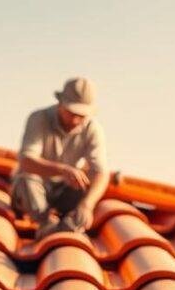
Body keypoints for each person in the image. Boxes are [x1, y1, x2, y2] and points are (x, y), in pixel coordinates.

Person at [10, 77, 109, 239]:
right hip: (35, 190)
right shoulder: (39, 118)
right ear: (60, 104)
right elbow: (26, 161)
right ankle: (46, 224)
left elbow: (101, 172)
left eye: (81, 115)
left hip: (63, 191)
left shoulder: (92, 129)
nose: (75, 120)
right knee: (25, 179)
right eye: (71, 113)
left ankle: (68, 226)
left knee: (87, 186)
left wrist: (87, 205)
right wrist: (62, 170)